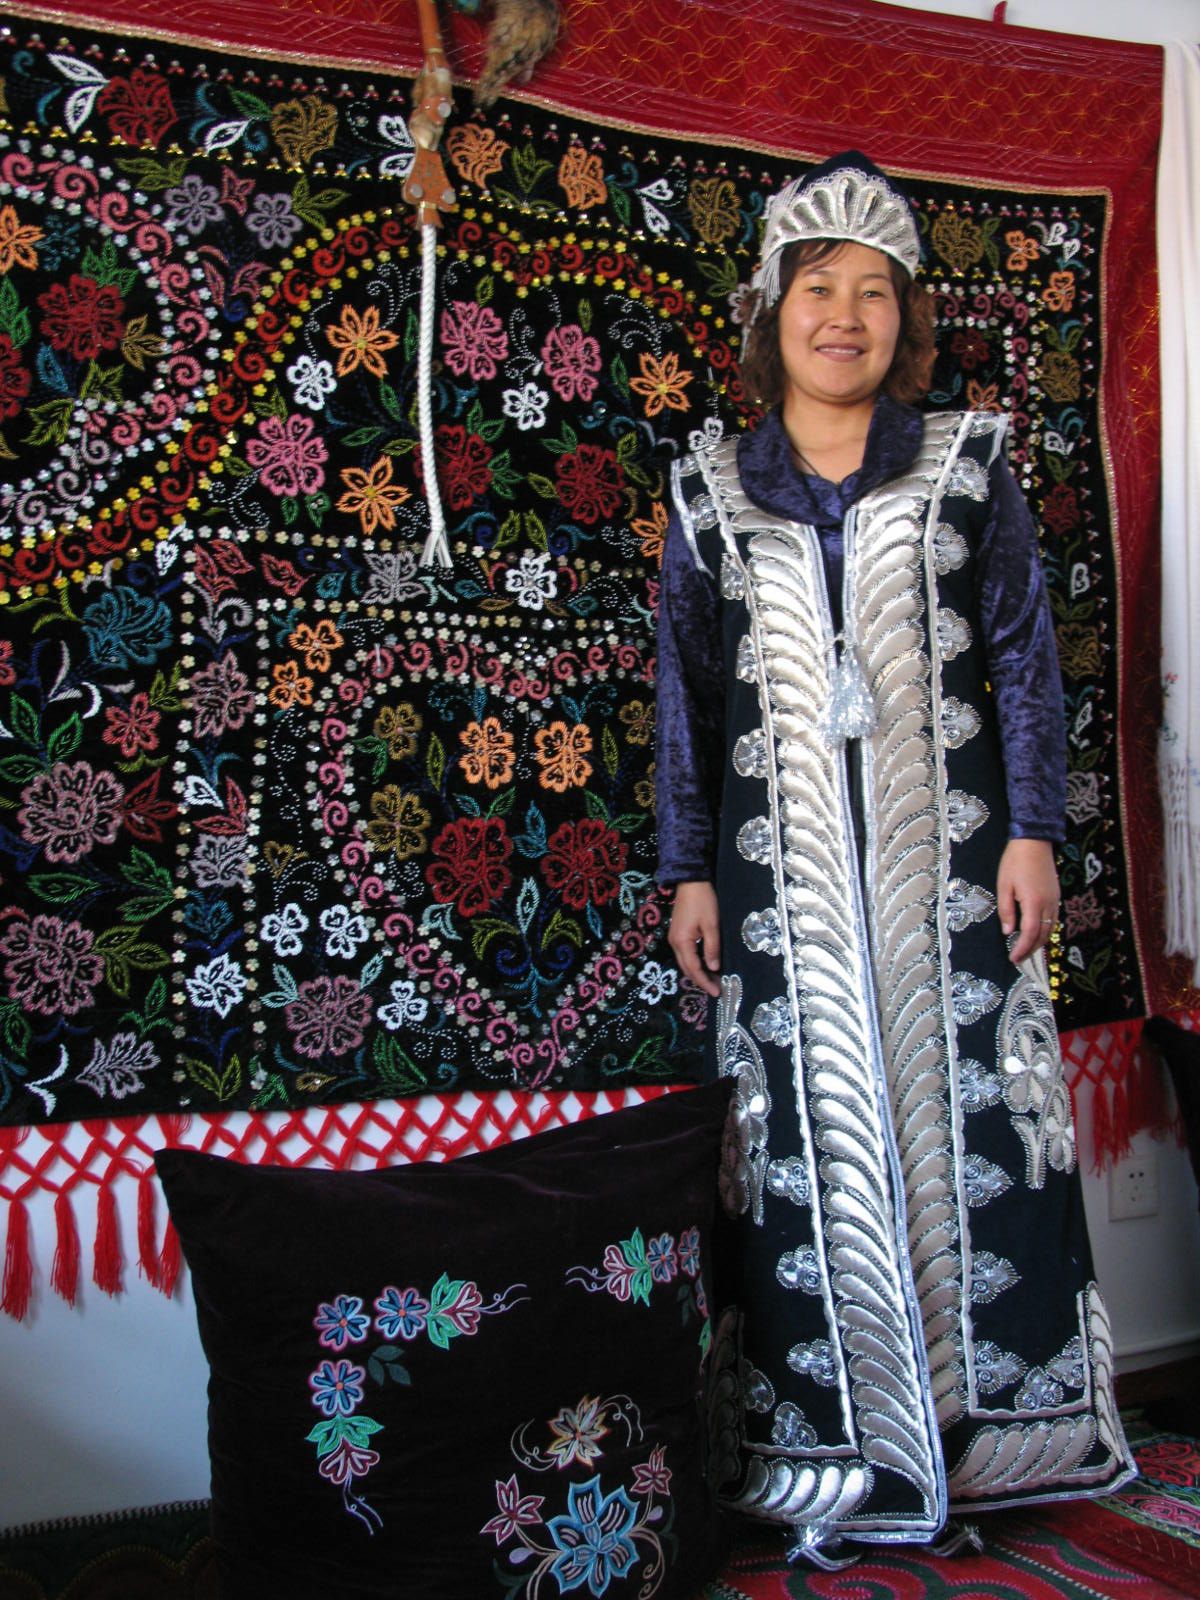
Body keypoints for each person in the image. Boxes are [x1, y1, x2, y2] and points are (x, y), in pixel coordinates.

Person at [655, 151, 1133, 1557]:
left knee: (978, 1123)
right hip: (776, 884)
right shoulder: (709, 492)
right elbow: (686, 694)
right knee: (793, 1140)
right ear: (774, 311)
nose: (845, 317)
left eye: (874, 292)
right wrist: (688, 868)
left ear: (904, 318)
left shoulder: (966, 467)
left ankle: (993, 1439)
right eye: (820, 289)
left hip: (958, 870)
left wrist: (1035, 832)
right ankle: (825, 1449)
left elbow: (1026, 658)